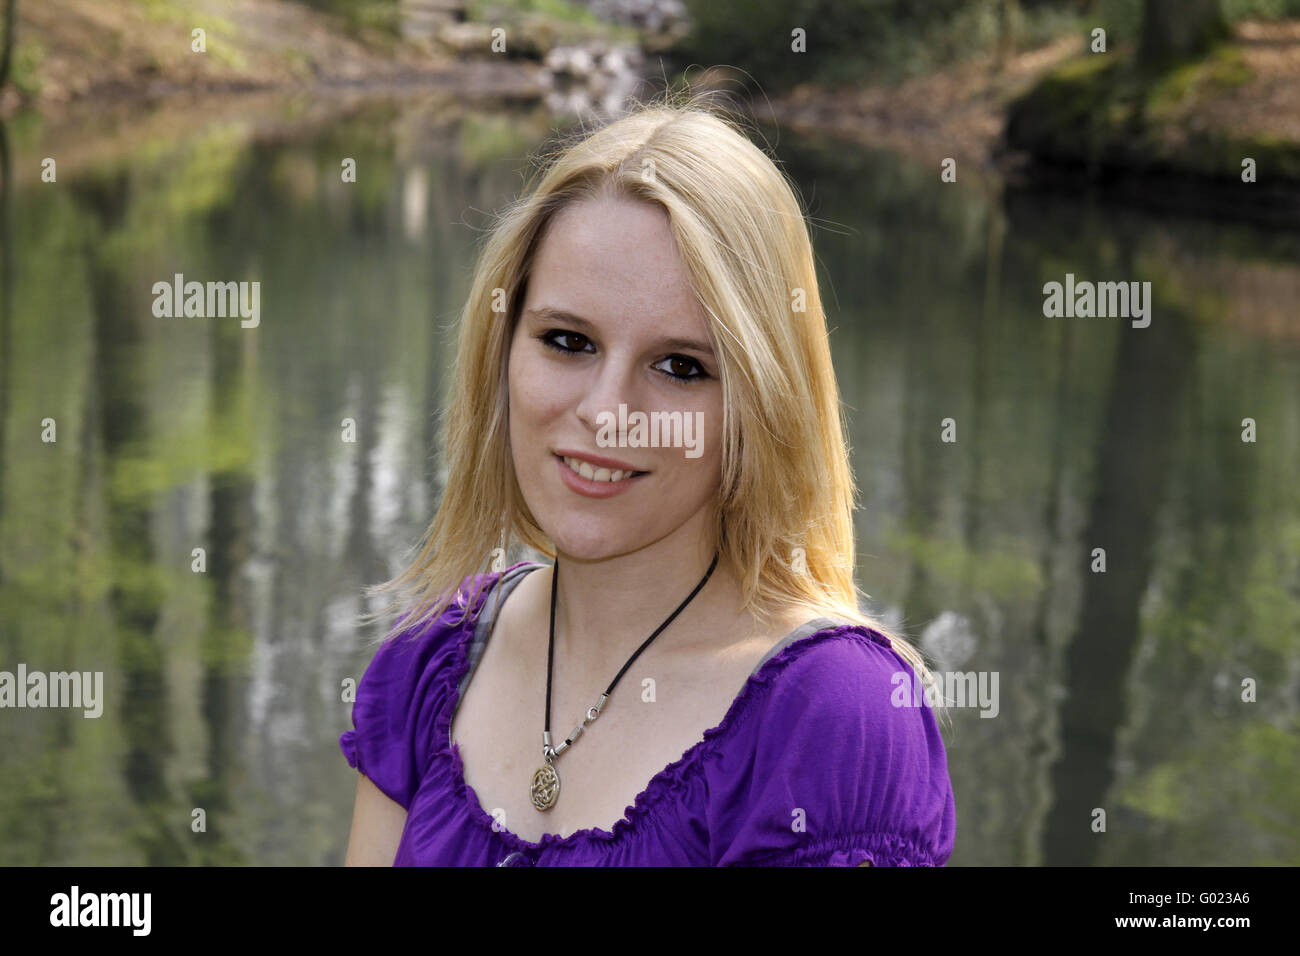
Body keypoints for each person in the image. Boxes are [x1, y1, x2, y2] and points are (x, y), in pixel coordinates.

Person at [340, 95, 956, 866]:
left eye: (680, 367)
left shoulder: (833, 721)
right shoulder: (429, 666)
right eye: (567, 341)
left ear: (762, 402)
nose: (609, 413)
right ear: (500, 349)